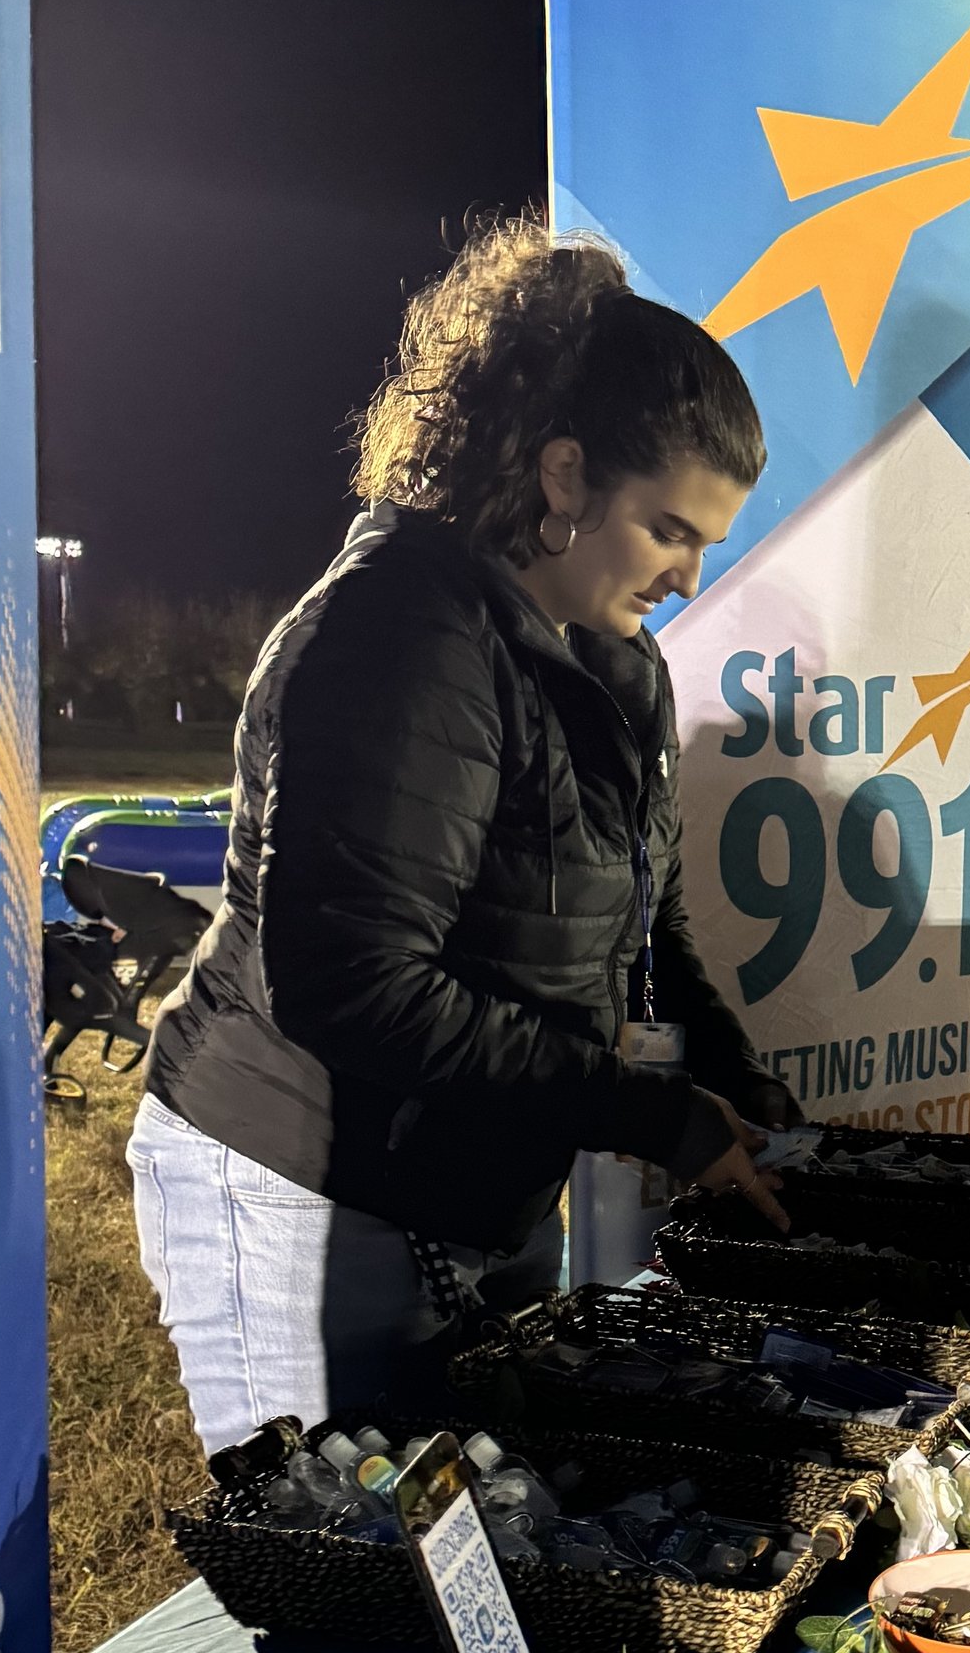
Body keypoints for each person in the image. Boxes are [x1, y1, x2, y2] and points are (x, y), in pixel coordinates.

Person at [131, 218, 789, 1454]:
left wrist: (738, 1092)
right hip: (299, 1184)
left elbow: (649, 930)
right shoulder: (399, 636)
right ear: (562, 475)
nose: (691, 577)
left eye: (710, 541)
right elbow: (355, 986)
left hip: (474, 1191)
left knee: (500, 1531)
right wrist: (646, 1117)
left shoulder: (615, 661)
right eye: (670, 531)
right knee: (354, 1567)